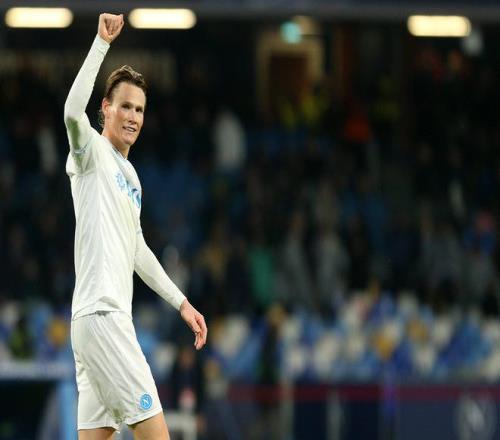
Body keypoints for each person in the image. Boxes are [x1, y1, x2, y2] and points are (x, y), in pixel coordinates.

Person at [64, 13, 207, 440]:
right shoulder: (90, 153)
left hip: (93, 323)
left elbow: (137, 250)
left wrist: (181, 303)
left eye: (140, 109)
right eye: (125, 106)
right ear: (105, 109)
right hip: (104, 317)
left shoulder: (131, 176)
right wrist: (101, 44)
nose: (133, 116)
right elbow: (71, 112)